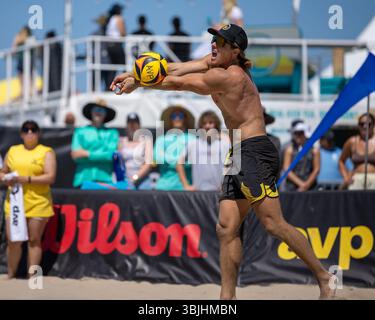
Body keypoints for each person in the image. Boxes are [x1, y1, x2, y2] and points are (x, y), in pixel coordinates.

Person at [111, 23, 336, 299]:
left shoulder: (232, 76)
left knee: (273, 224)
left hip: (254, 150)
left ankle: (325, 277)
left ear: (235, 50)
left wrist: (140, 81)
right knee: (226, 228)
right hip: (238, 154)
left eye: (220, 42)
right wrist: (134, 76)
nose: (213, 44)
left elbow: (180, 82)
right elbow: (177, 68)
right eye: (214, 40)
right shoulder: (217, 63)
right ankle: (226, 299)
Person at [0, 121, 56, 279]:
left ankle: (32, 276)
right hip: (15, 202)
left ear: (38, 133)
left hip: (38, 201)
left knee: (34, 239)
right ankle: (11, 274)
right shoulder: (13, 150)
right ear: (21, 134)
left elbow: (50, 177)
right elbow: (3, 172)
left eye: (33, 130)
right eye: (26, 130)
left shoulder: (46, 151)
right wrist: (6, 178)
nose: (29, 133)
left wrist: (27, 179)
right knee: (13, 240)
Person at [176, 111, 230, 191]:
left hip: (220, 192)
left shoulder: (225, 144)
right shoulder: (193, 143)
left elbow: (232, 166)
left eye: (210, 122)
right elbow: (179, 164)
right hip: (198, 193)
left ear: (216, 124)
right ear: (201, 126)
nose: (207, 126)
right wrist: (186, 185)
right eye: (204, 123)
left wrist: (226, 185)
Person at [71, 99, 119, 188]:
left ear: (106, 114)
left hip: (106, 181)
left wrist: (87, 154)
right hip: (82, 181)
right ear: (91, 112)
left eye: (102, 110)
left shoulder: (113, 133)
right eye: (96, 109)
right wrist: (102, 154)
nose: (98, 112)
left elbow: (111, 155)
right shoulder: (80, 131)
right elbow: (75, 155)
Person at [152, 105, 195, 190]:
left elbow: (193, 160)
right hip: (163, 186)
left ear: (185, 119)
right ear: (170, 119)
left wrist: (169, 161)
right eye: (174, 116)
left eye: (180, 116)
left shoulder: (192, 138)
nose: (177, 118)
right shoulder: (161, 139)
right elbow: (158, 158)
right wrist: (180, 162)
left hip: (185, 187)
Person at [339, 112, 375, 190]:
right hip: (356, 179)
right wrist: (346, 177)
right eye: (362, 124)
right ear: (358, 126)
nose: (365, 126)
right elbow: (341, 161)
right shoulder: (352, 141)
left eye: (369, 124)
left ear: (373, 125)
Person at [118, 112, 153, 189]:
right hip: (125, 181)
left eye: (135, 123)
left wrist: (135, 178)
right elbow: (118, 162)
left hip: (143, 182)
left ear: (139, 125)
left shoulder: (146, 141)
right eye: (130, 123)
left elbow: (148, 163)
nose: (132, 126)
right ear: (126, 126)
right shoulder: (121, 141)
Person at [283, 122, 320, 192]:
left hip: (310, 187)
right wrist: (301, 184)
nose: (297, 136)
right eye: (296, 133)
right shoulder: (289, 150)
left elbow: (316, 170)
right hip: (292, 187)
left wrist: (306, 185)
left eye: (300, 133)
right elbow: (286, 169)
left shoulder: (314, 151)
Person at [105, 3, 126, 86]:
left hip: (109, 46)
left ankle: (109, 86)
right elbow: (122, 32)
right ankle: (125, 83)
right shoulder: (118, 18)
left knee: (113, 67)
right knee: (124, 65)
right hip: (116, 45)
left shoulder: (111, 19)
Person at [13, 26, 36, 99]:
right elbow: (14, 50)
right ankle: (23, 92)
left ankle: (30, 91)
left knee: (29, 76)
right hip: (21, 61)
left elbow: (34, 47)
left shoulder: (31, 39)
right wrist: (16, 40)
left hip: (29, 61)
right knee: (22, 77)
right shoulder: (18, 40)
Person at [92, 14, 112, 90]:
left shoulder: (109, 34)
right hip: (100, 61)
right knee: (96, 83)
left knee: (109, 84)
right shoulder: (96, 34)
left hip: (107, 62)